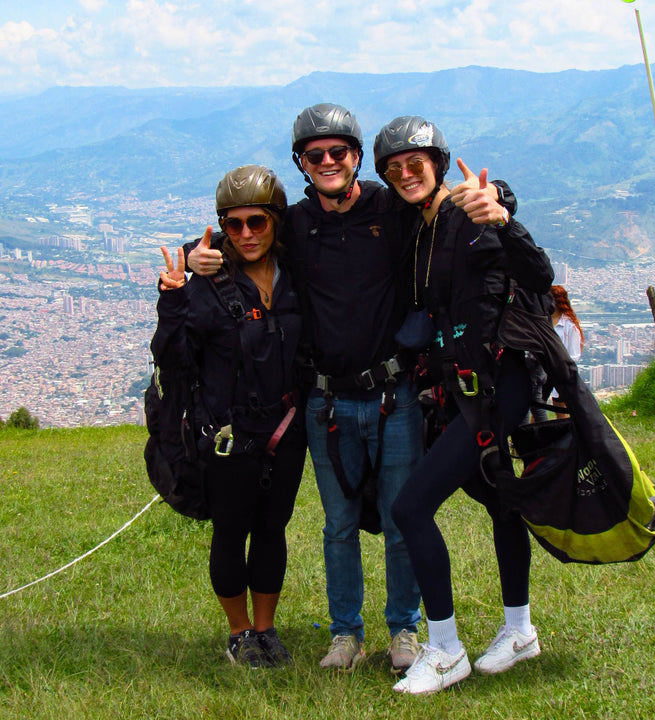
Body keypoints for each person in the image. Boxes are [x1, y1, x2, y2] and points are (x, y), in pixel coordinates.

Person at [186, 103, 513, 675]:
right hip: (325, 401)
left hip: (393, 394)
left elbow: (444, 204)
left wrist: (502, 199)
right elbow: (244, 231)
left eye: (340, 153)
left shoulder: (392, 210)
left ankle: (404, 630)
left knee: (398, 518)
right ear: (303, 165)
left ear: (359, 159)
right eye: (317, 156)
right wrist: (195, 255)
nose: (329, 162)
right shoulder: (296, 226)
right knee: (337, 525)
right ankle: (345, 633)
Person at [373, 116, 554, 694]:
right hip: (465, 386)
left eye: (415, 163)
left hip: (499, 382)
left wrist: (501, 211)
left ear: (440, 165)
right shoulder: (421, 226)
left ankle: (446, 648)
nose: (405, 174)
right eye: (394, 168)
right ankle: (520, 630)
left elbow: (537, 274)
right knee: (501, 500)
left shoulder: (465, 215)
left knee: (410, 508)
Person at [151, 165, 307, 668]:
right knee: (231, 532)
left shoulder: (296, 279)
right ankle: (240, 633)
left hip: (284, 431)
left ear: (275, 222)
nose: (245, 234)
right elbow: (172, 357)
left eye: (256, 222)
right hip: (228, 433)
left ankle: (267, 629)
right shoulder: (208, 284)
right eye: (233, 225)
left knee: (272, 530)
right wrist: (172, 297)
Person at [550, 284, 584, 416]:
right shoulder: (546, 321)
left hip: (562, 373)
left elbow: (574, 355)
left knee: (560, 410)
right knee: (537, 409)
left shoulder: (569, 325)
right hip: (545, 372)